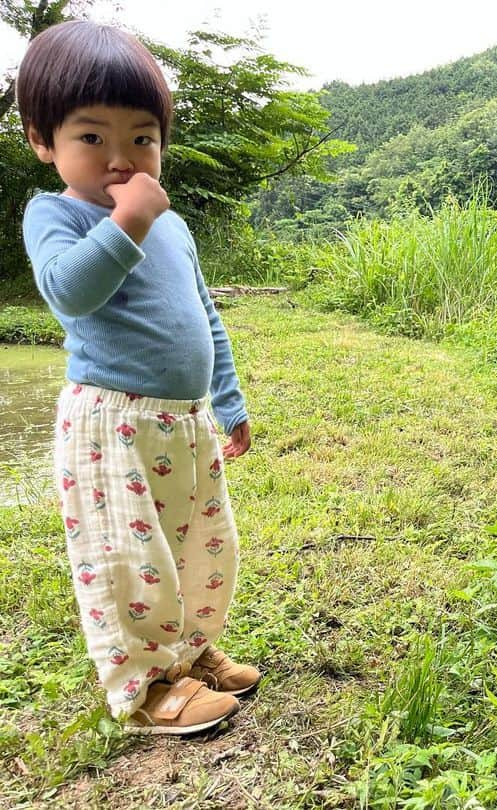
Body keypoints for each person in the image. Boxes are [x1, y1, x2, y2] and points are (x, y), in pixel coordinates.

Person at [17, 20, 261, 735]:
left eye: (142, 138)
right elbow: (69, 291)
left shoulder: (173, 225)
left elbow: (203, 314)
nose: (121, 160)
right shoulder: (55, 214)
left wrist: (229, 400)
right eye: (92, 138)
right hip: (112, 424)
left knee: (193, 545)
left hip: (184, 422)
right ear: (42, 139)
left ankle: (188, 649)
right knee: (129, 557)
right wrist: (124, 223)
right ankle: (147, 688)